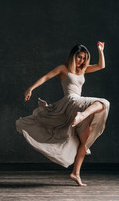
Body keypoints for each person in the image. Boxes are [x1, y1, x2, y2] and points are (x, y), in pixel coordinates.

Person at [16, 42, 110, 186]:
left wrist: (100, 50)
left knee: (84, 144)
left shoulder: (83, 70)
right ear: (73, 56)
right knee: (103, 103)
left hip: (79, 104)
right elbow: (46, 77)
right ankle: (82, 115)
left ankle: (75, 173)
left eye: (84, 58)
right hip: (71, 102)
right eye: (79, 57)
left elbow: (101, 66)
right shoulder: (63, 69)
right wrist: (31, 88)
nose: (82, 61)